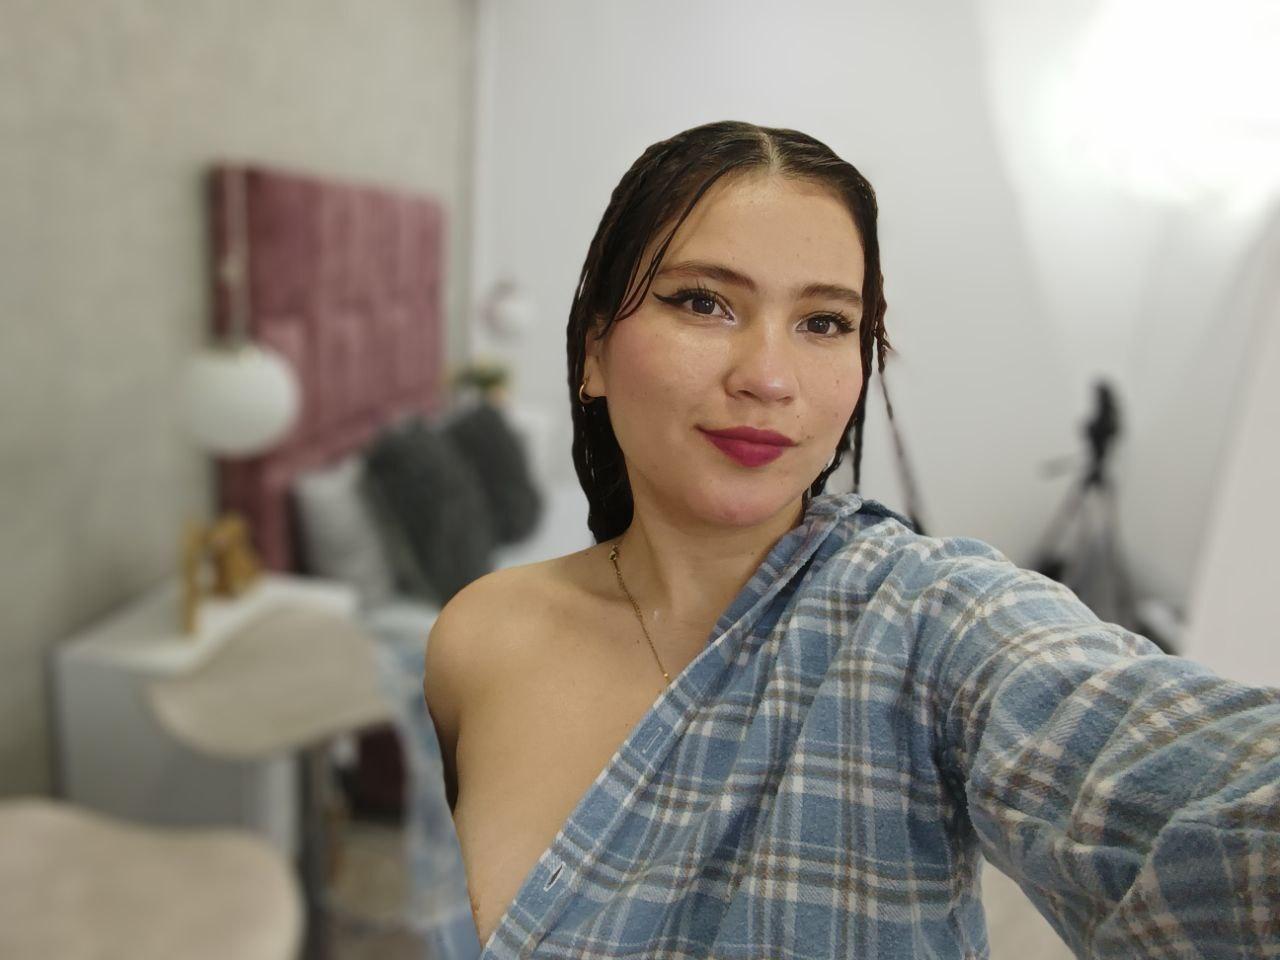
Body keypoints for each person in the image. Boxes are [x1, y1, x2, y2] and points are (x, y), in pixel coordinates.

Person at [423, 120, 1280, 959]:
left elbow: (1172, 773)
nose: (768, 378)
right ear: (595, 352)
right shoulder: (477, 638)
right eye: (703, 302)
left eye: (825, 323)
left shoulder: (926, 618)